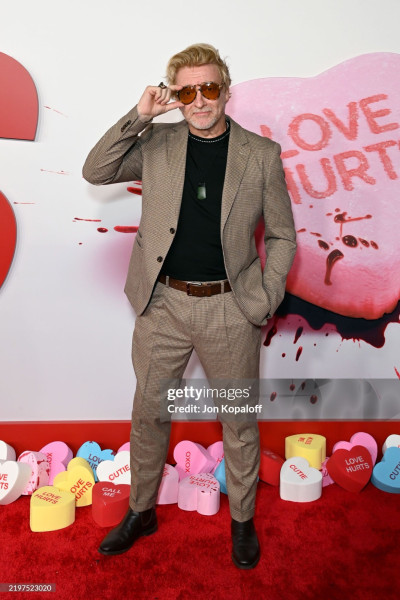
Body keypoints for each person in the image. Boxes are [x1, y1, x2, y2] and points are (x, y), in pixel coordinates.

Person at [83, 43, 296, 569]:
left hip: (231, 308)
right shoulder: (157, 141)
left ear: (226, 88)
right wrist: (140, 115)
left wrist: (264, 298)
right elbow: (96, 169)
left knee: (239, 422)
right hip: (163, 305)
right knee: (149, 413)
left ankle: (242, 520)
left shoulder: (260, 155)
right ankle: (141, 511)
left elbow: (285, 237)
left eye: (209, 88)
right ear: (174, 94)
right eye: (186, 91)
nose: (199, 100)